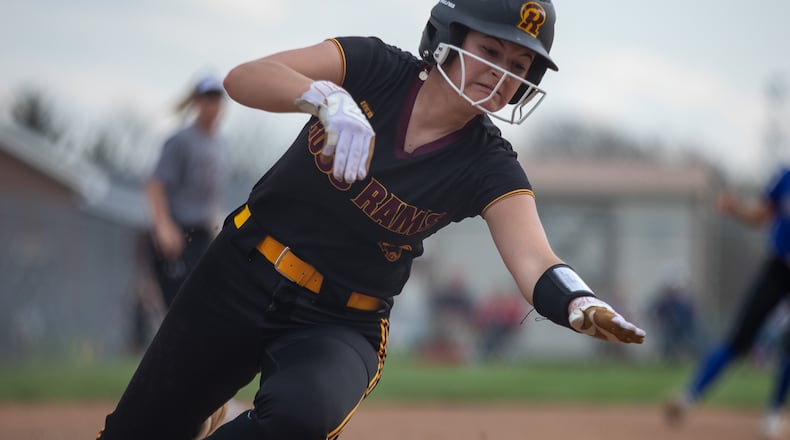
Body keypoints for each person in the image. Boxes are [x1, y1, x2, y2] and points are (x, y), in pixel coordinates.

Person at [98, 1, 645, 439]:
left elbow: (534, 257)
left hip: (338, 320)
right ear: (448, 36)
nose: (502, 74)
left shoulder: (488, 163)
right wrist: (322, 98)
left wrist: (577, 300)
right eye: (490, 51)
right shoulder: (377, 68)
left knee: (301, 418)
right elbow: (245, 78)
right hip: (241, 270)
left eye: (519, 66)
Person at [665, 169, 790, 439]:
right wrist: (736, 210)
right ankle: (689, 396)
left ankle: (774, 412)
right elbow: (763, 215)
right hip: (779, 268)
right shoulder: (785, 177)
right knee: (739, 338)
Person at [144, 73, 229, 308]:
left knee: (202, 304)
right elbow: (156, 184)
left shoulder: (221, 145)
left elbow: (214, 194)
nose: (212, 105)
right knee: (177, 307)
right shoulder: (182, 140)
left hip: (202, 236)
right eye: (207, 98)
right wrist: (163, 226)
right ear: (197, 102)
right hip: (177, 234)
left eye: (217, 99)